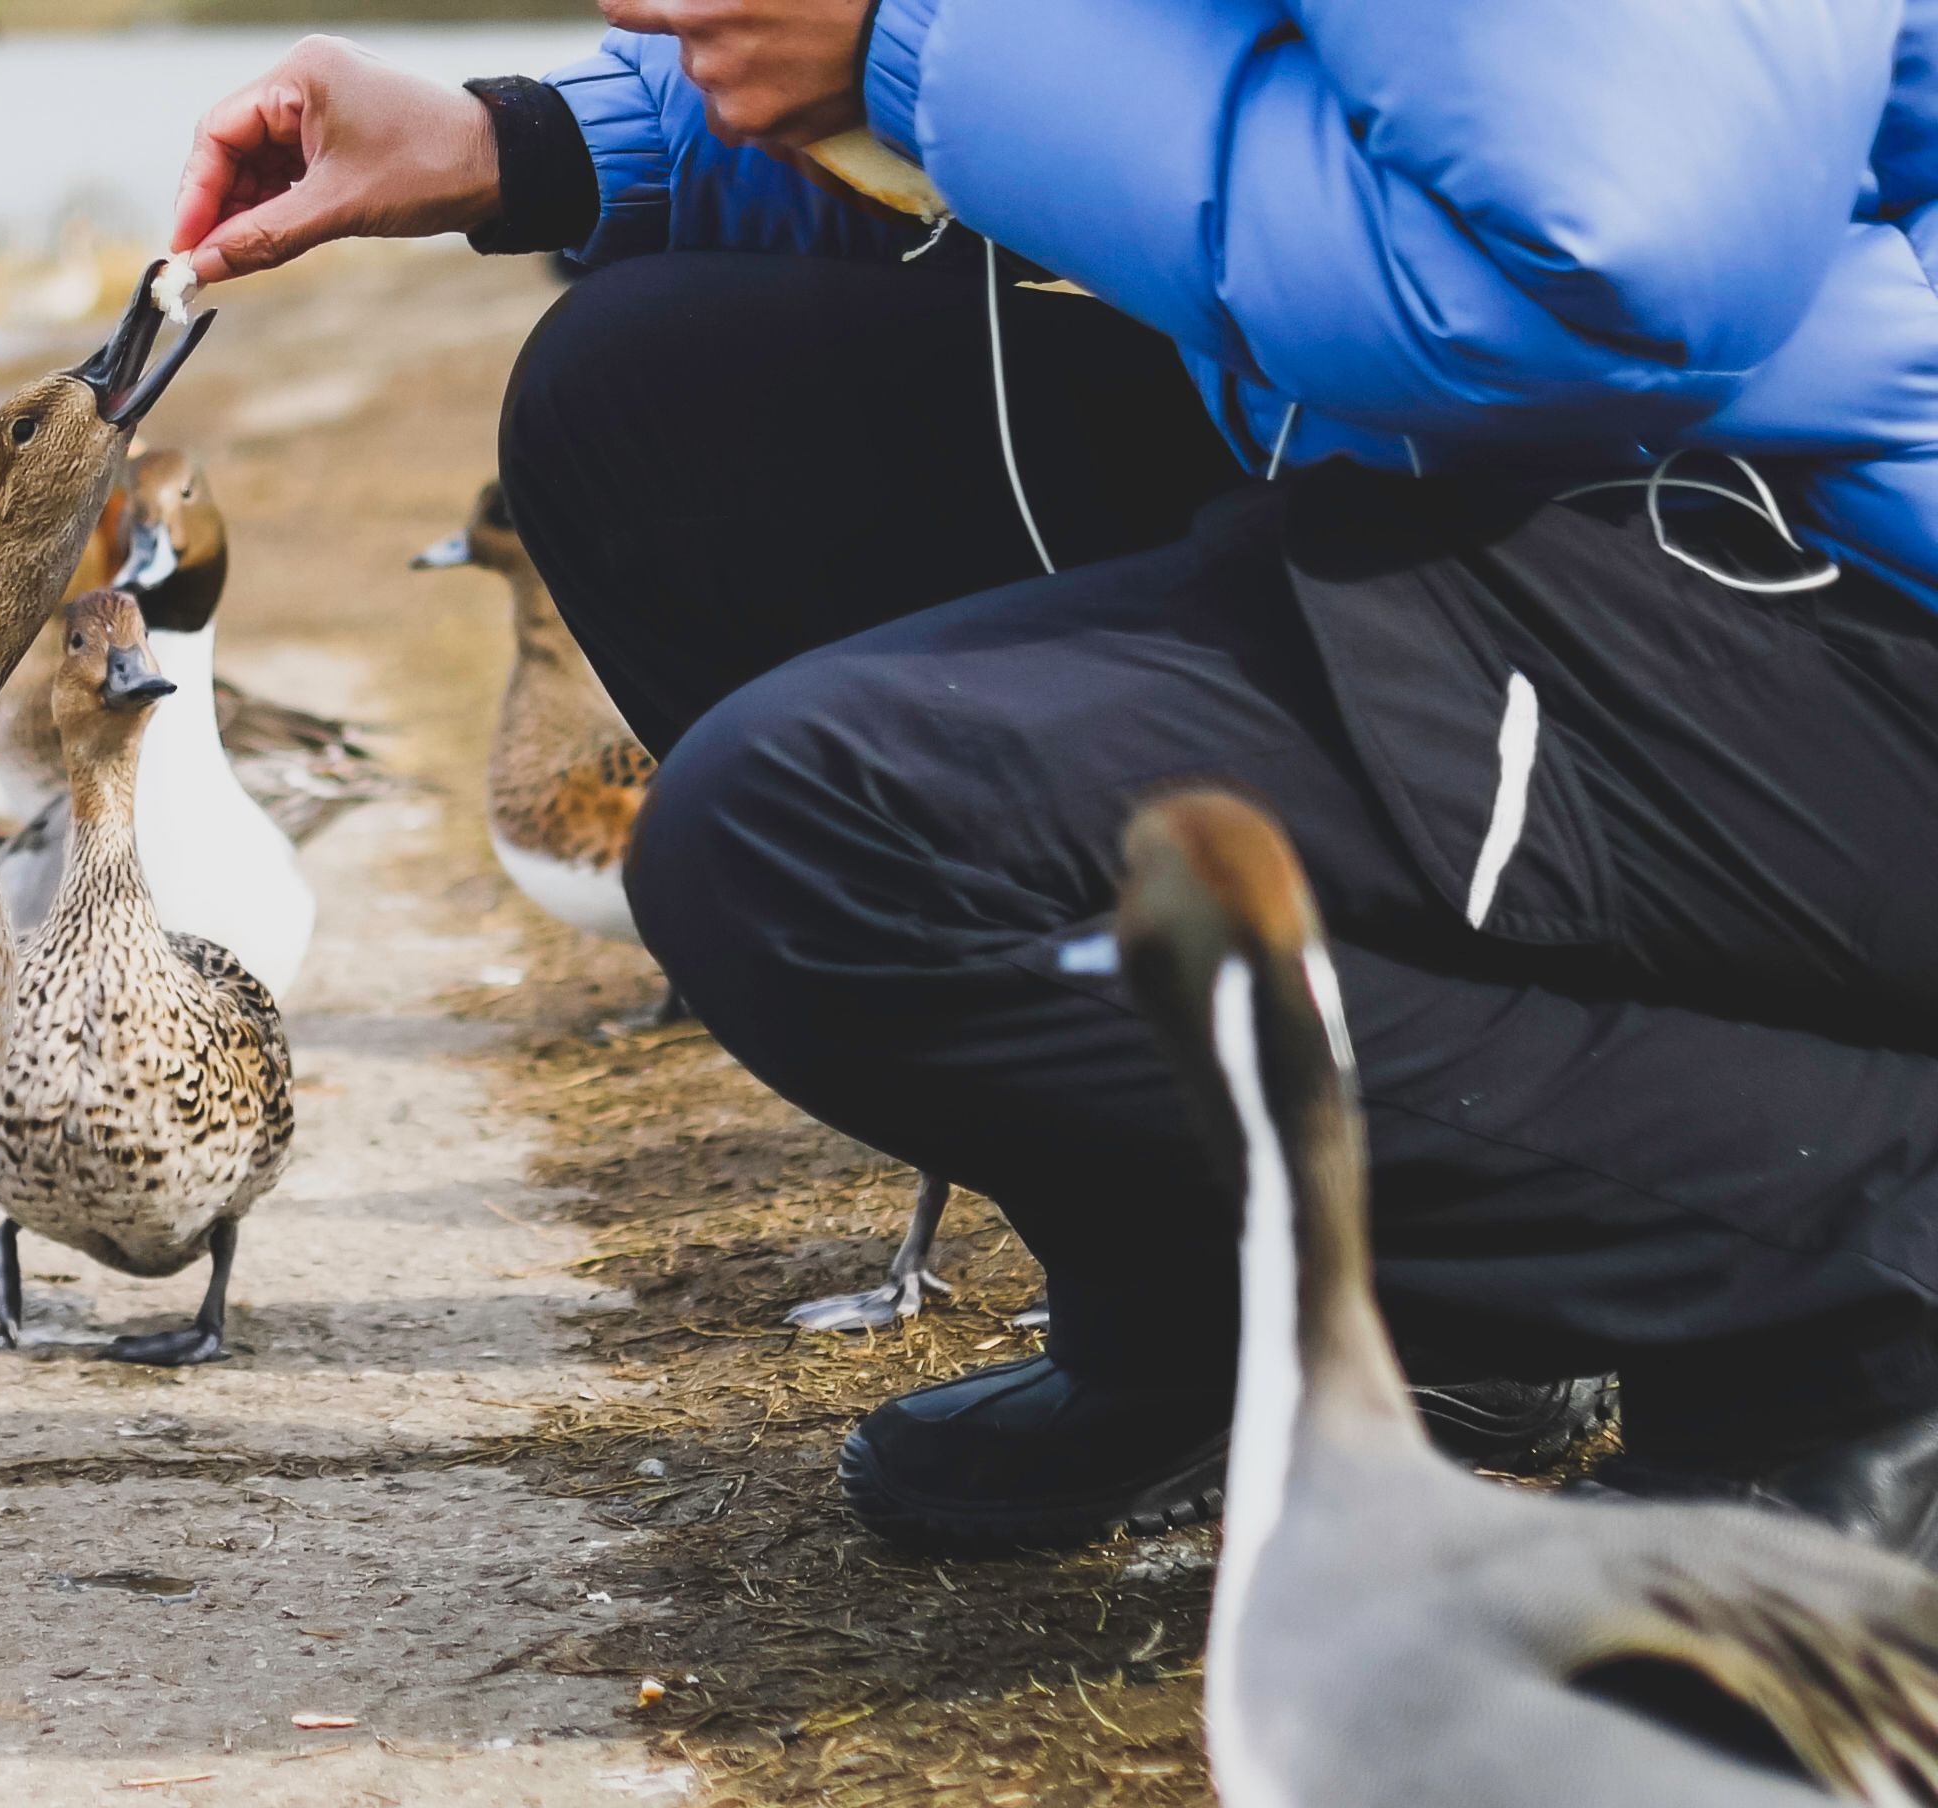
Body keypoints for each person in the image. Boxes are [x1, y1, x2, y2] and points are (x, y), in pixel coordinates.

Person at [168, 5, 1938, 1562]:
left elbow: (1603, 261)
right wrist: (532, 143)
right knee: (651, 399)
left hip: (1839, 588)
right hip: (1575, 482)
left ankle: (1848, 1273)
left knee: (816, 845)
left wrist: (907, 43)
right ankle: (1256, 1291)